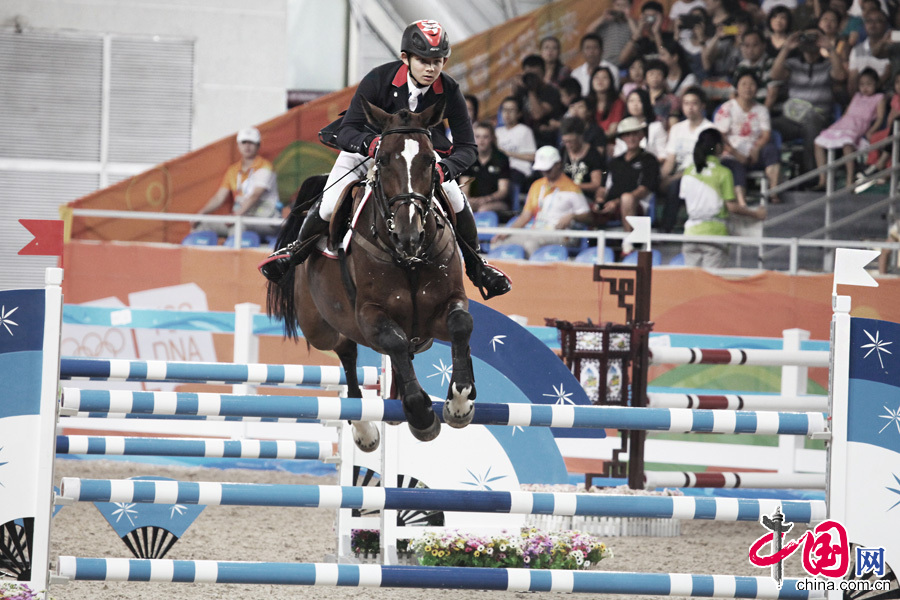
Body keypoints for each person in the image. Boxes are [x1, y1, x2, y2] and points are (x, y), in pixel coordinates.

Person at [259, 20, 510, 299]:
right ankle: (294, 253)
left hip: (417, 158)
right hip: (367, 150)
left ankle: (477, 266)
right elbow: (347, 130)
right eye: (424, 61)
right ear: (406, 58)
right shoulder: (379, 79)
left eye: (437, 61)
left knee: (456, 197)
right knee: (330, 203)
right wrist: (372, 144)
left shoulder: (449, 90)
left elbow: (467, 148)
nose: (431, 69)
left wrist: (444, 169)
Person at [679, 128, 766, 267]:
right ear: (719, 147)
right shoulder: (724, 173)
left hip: (690, 234)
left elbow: (685, 199)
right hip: (715, 235)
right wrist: (756, 214)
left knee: (692, 283)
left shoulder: (688, 171)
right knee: (711, 285)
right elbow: (731, 207)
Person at [770, 28, 847, 175]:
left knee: (811, 121)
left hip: (819, 118)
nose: (810, 42)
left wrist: (829, 48)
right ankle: (770, 173)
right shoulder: (792, 64)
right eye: (806, 37)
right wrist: (786, 48)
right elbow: (774, 75)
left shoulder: (828, 64)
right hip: (792, 120)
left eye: (814, 38)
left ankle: (811, 176)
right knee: (765, 125)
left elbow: (840, 76)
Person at [491, 146, 594, 256]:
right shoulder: (537, 186)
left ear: (558, 164)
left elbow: (588, 217)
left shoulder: (572, 188)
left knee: (531, 244)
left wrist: (573, 216)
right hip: (537, 230)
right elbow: (526, 216)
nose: (545, 173)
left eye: (548, 169)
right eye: (542, 170)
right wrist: (507, 232)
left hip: (562, 234)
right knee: (498, 242)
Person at [195, 127, 280, 240]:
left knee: (238, 226)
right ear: (238, 145)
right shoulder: (233, 170)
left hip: (265, 220)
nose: (247, 146)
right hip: (239, 218)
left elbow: (254, 196)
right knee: (201, 225)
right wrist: (200, 214)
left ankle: (233, 257)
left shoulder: (265, 167)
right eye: (244, 142)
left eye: (251, 143)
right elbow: (219, 198)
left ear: (258, 146)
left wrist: (235, 216)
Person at [714, 70, 782, 203]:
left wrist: (757, 148)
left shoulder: (761, 110)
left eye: (751, 84)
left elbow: (766, 134)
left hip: (753, 153)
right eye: (743, 84)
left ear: (757, 88)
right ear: (737, 87)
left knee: (771, 150)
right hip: (732, 153)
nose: (748, 88)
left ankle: (773, 193)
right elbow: (720, 136)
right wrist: (736, 153)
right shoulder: (727, 108)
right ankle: (741, 203)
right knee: (736, 167)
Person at [813, 67, 886, 188]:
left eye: (869, 84)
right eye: (862, 84)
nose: (865, 87)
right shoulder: (857, 96)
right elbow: (847, 113)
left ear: (876, 84)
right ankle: (823, 179)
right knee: (818, 143)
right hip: (843, 124)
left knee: (847, 144)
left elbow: (880, 118)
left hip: (857, 127)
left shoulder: (879, 98)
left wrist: (871, 131)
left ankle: (849, 179)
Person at [595, 116, 661, 245]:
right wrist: (600, 199)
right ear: (622, 138)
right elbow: (603, 187)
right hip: (611, 205)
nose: (631, 138)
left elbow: (644, 189)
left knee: (627, 198)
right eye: (627, 135)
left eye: (635, 134)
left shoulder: (649, 160)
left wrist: (617, 202)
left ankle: (629, 244)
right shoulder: (614, 161)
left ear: (642, 135)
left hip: (638, 204)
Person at [659, 86, 716, 232]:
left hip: (700, 175)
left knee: (675, 185)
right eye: (686, 103)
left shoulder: (710, 129)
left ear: (702, 105)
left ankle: (665, 230)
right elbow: (670, 159)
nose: (690, 108)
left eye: (694, 103)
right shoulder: (677, 128)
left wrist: (672, 178)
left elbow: (704, 164)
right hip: (679, 173)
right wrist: (661, 178)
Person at [461, 121, 511, 213]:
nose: (481, 141)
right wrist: (470, 200)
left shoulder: (501, 158)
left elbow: (503, 191)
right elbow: (464, 189)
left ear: (492, 138)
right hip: (473, 201)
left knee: (483, 209)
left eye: (485, 137)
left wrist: (486, 199)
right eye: (477, 137)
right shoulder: (468, 159)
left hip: (497, 202)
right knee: (464, 208)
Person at [496, 96, 538, 195]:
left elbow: (533, 156)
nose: (507, 113)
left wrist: (507, 153)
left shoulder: (525, 131)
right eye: (504, 110)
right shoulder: (497, 132)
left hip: (518, 170)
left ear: (519, 113)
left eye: (511, 110)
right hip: (501, 169)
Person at [559, 116, 605, 201]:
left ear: (580, 137)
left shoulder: (593, 154)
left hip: (585, 197)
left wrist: (572, 186)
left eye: (571, 141)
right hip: (563, 195)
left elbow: (596, 184)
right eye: (565, 142)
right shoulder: (562, 152)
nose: (568, 145)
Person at [613, 88, 668, 158]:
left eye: (639, 101)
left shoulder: (656, 127)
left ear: (646, 103)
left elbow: (662, 154)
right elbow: (618, 153)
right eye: (631, 101)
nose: (635, 104)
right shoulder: (622, 126)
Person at [848, 9, 891, 94]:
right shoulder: (857, 50)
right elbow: (852, 80)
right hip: (862, 95)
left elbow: (888, 74)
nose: (873, 24)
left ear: (885, 25)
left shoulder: (893, 48)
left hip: (886, 94)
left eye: (878, 20)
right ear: (864, 25)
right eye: (869, 21)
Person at [619, 1, 667, 66]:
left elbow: (664, 54)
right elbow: (622, 59)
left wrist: (656, 33)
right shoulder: (642, 42)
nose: (649, 20)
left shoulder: (669, 37)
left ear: (660, 18)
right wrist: (637, 33)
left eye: (652, 17)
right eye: (646, 17)